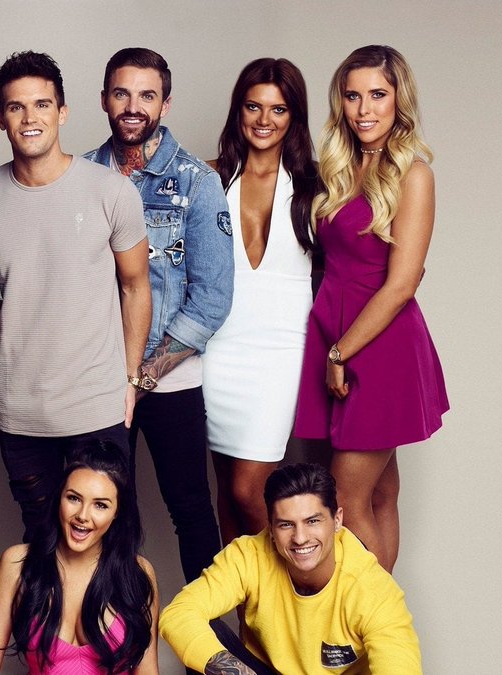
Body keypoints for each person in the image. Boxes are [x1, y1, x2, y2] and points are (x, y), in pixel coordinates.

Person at [0, 51, 151, 543]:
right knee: (43, 545)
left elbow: (135, 286)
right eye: (16, 107)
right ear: (0, 118)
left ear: (62, 112)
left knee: (112, 547)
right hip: (21, 413)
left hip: (96, 407)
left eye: (42, 104)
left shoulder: (111, 192)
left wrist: (130, 378)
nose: (30, 118)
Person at [294, 45, 449, 572]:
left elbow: (401, 284)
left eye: (377, 95)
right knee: (380, 494)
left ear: (399, 99)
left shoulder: (414, 174)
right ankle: (385, 620)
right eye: (352, 95)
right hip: (336, 330)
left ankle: (377, 618)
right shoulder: (340, 168)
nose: (364, 109)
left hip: (379, 345)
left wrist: (339, 353)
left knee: (342, 498)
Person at [85, 47, 231, 587]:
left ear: (165, 104)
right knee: (98, 516)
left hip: (171, 380)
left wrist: (144, 375)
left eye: (147, 95)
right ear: (104, 99)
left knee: (191, 510)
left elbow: (212, 296)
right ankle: (104, 633)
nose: (133, 106)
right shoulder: (78, 176)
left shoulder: (196, 181)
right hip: (96, 379)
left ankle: (208, 637)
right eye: (122, 93)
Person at [203, 58, 319, 544]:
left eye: (279, 109)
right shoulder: (208, 178)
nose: (264, 119)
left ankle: (290, 589)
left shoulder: (316, 186)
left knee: (250, 491)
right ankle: (246, 598)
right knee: (226, 498)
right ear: (238, 110)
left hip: (280, 352)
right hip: (215, 350)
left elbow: (354, 262)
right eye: (254, 106)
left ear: (294, 116)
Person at [159, 463, 421, 674]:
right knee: (207, 639)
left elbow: (400, 668)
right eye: (286, 525)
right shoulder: (249, 555)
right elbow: (178, 614)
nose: (300, 538)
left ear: (337, 520)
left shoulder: (372, 588)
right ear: (271, 528)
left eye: (312, 521)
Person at [0, 439, 159, 675]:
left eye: (100, 505)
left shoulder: (138, 573)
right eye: (74, 498)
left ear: (117, 512)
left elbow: (147, 671)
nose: (82, 515)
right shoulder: (17, 564)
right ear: (59, 497)